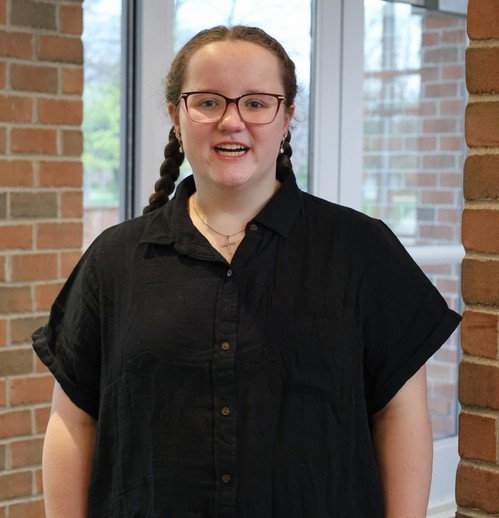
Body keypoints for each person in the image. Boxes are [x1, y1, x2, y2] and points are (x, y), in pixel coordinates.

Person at [33, 25, 461, 518]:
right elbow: (74, 422)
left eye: (256, 103)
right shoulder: (114, 260)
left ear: (287, 119)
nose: (231, 121)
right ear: (176, 118)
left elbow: (400, 414)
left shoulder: (362, 250)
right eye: (208, 102)